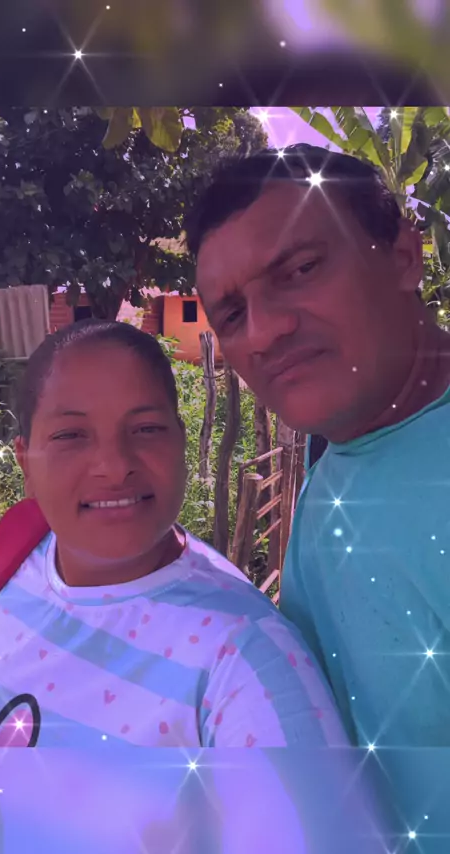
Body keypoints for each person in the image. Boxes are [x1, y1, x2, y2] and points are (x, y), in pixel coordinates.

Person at [186, 144, 450, 828]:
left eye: (301, 270)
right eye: (232, 314)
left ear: (403, 255)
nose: (265, 332)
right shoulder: (339, 438)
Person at [0, 318, 349, 750]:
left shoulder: (248, 663)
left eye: (146, 429)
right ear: (25, 460)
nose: (115, 467)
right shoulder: (8, 553)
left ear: (181, 441)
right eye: (71, 435)